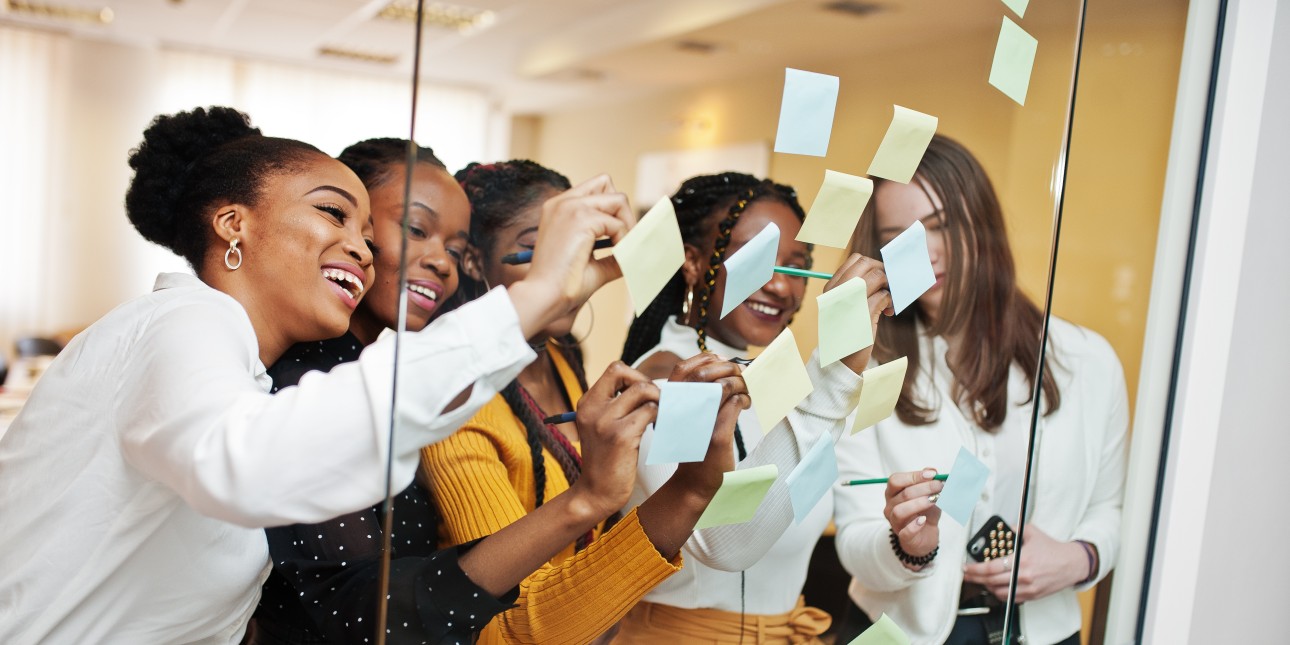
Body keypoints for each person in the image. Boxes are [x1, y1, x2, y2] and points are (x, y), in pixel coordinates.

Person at [0, 107, 633, 644]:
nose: (361, 247)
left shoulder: (247, 373)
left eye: (365, 231)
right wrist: (531, 296)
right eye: (333, 214)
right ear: (233, 223)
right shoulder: (182, 318)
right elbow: (249, 464)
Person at [250, 139, 661, 644]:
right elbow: (363, 614)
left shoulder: (396, 366)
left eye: (456, 250)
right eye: (416, 230)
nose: (443, 263)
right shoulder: (307, 380)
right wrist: (587, 500)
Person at [420, 160, 751, 645]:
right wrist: (686, 491)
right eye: (538, 249)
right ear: (474, 261)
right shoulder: (460, 402)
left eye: (582, 249)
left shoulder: (564, 359)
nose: (570, 270)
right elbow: (503, 629)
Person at [832, 135, 1128, 645]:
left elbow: (1113, 508)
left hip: (1039, 631)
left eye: (942, 225)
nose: (925, 253)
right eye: (898, 238)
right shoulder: (867, 367)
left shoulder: (1086, 361)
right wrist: (908, 547)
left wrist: (1081, 558)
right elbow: (854, 538)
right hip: (898, 633)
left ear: (982, 222)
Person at [612, 172, 892, 644]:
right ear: (693, 262)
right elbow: (721, 542)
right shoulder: (664, 382)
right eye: (758, 260)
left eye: (798, 265)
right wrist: (834, 371)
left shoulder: (770, 380)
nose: (782, 286)